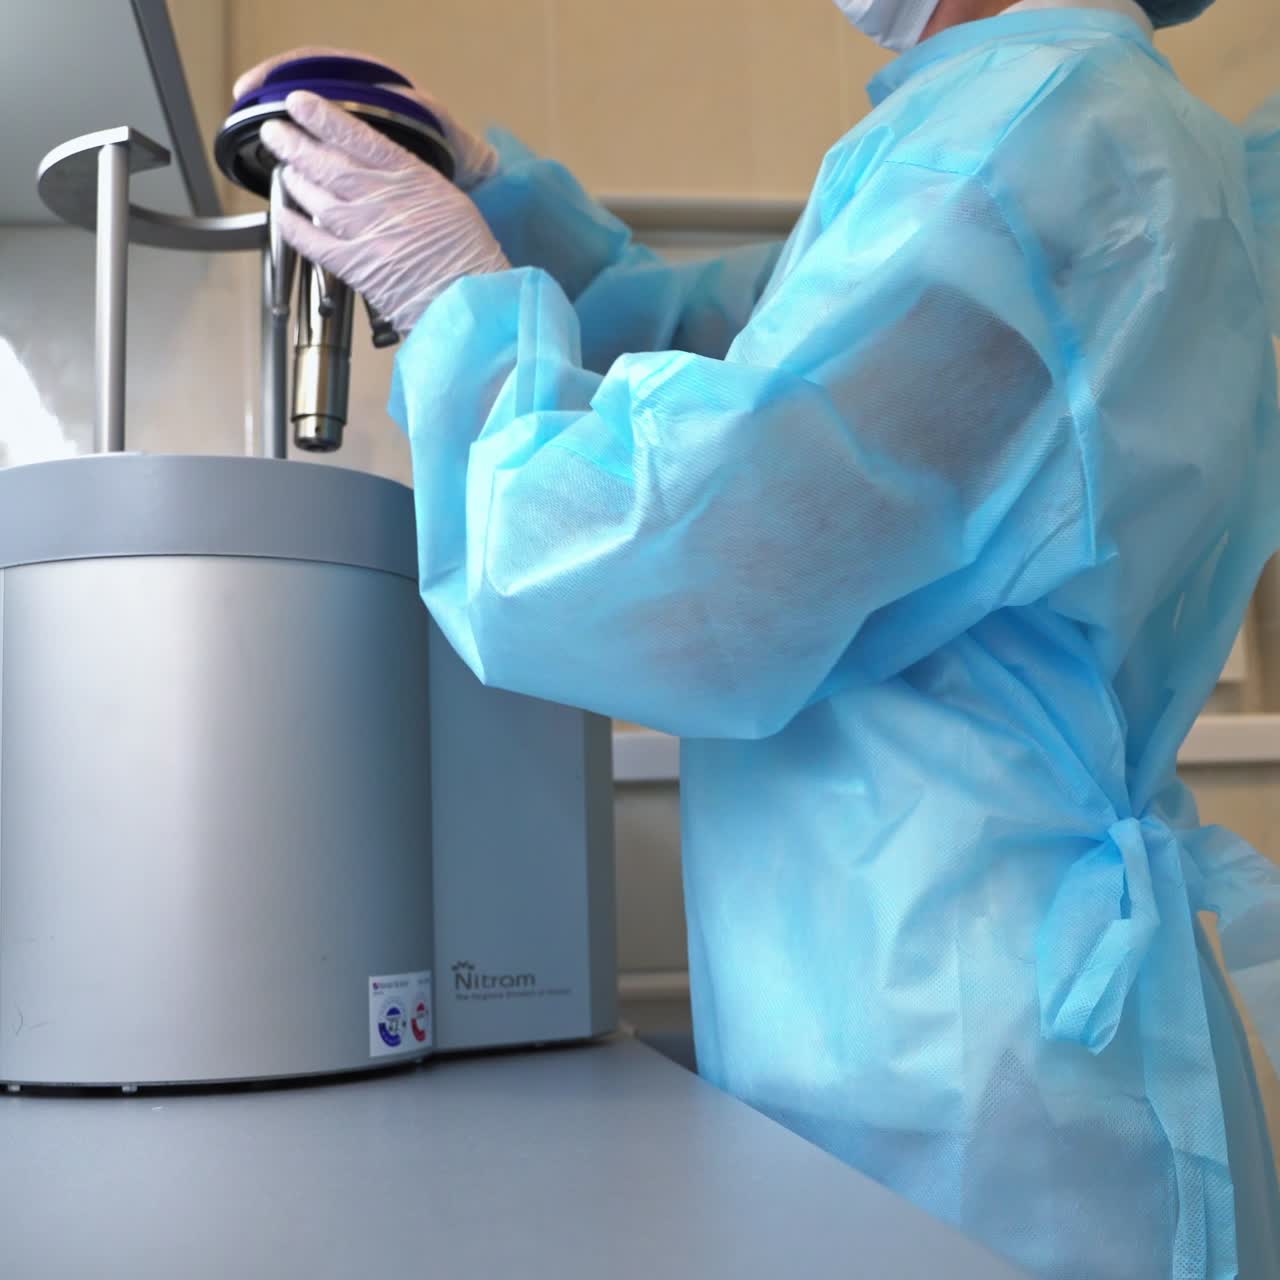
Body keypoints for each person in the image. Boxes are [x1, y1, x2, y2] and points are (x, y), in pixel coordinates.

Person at [236, 1, 1280, 1273]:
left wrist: (462, 312)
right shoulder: (1036, 122)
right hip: (949, 988)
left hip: (966, 1035)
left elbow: (681, 560)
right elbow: (748, 346)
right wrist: (501, 210)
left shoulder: (1033, 140)